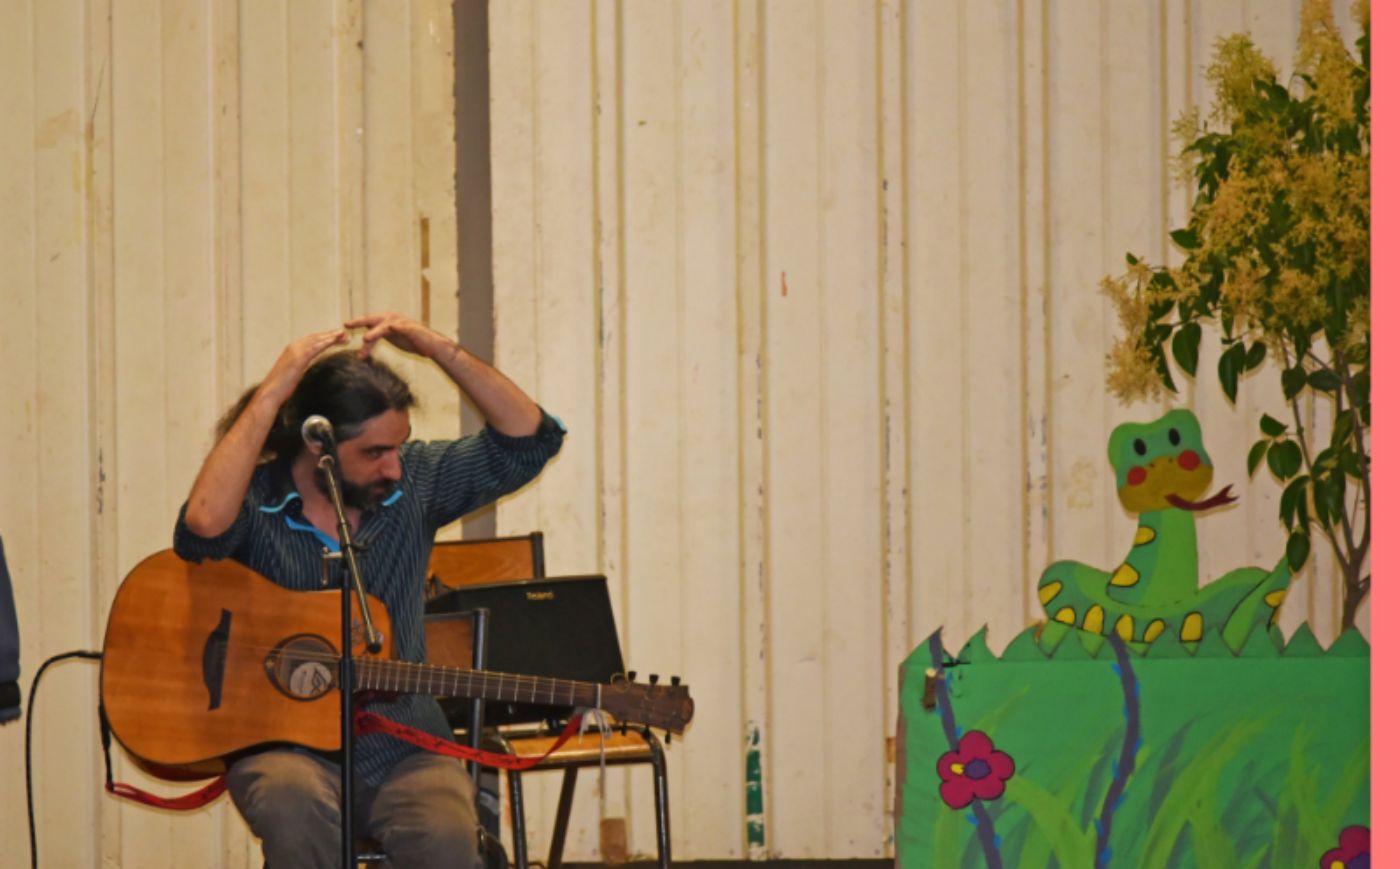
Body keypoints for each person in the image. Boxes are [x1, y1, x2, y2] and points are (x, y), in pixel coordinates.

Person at [173, 311, 564, 868]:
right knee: (291, 804)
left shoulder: (416, 486)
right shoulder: (256, 499)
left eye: (399, 447)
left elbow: (530, 441)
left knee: (446, 831)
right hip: (282, 745)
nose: (394, 468)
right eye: (375, 453)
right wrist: (274, 391)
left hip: (403, 743)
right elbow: (203, 528)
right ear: (317, 445)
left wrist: (442, 351)